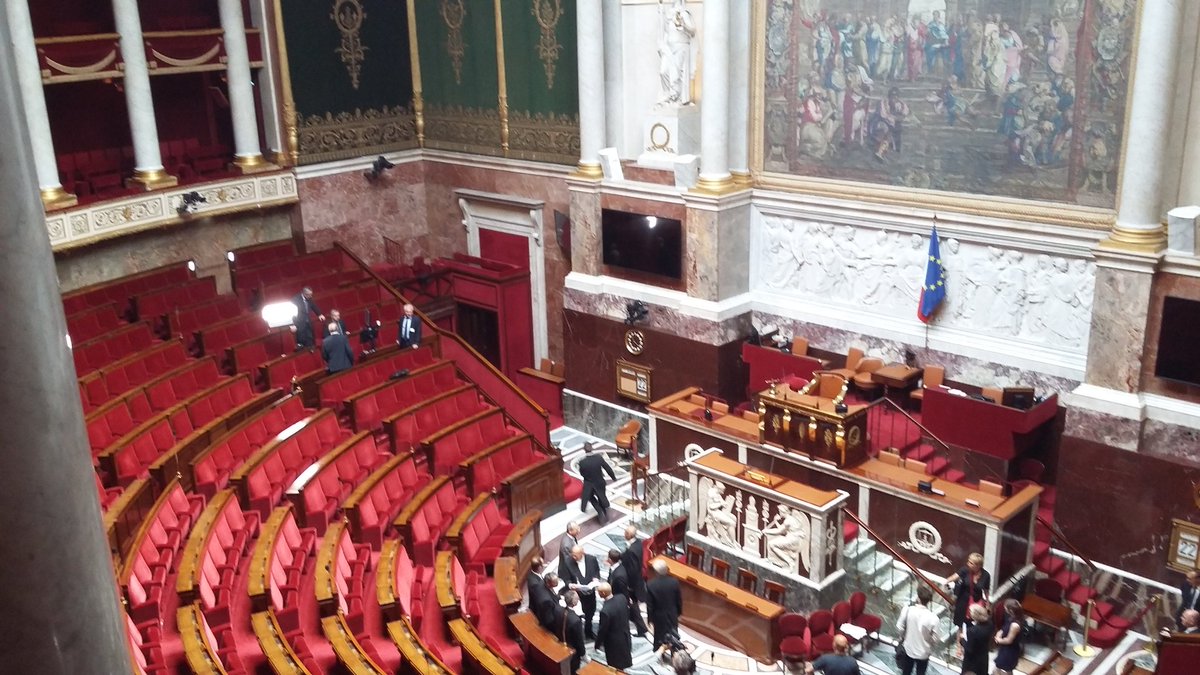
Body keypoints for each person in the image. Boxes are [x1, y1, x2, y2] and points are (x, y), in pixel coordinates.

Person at [656, 0, 696, 106]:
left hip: (680, 47)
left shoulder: (684, 13)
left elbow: (692, 31)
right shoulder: (669, 13)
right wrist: (661, 9)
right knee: (663, 71)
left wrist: (683, 25)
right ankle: (667, 95)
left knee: (676, 76)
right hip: (669, 48)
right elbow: (664, 30)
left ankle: (676, 97)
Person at [560, 545, 602, 639]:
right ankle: (577, 634)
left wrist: (596, 579)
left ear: (582, 553)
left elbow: (596, 571)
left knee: (590, 613)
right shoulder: (568, 561)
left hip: (590, 594)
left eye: (576, 555)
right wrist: (571, 585)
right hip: (577, 596)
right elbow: (566, 578)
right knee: (576, 616)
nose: (573, 557)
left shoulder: (592, 559)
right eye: (573, 555)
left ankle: (588, 631)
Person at [897, 585, 940, 675]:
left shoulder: (907, 610)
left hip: (909, 648)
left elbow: (900, 627)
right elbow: (935, 639)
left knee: (906, 671)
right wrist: (928, 642)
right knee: (921, 672)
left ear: (918, 598)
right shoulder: (933, 618)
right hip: (924, 652)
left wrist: (902, 637)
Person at [945, 552, 990, 627]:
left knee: (972, 622)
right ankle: (960, 637)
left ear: (978, 565)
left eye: (971, 563)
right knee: (960, 623)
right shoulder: (965, 570)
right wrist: (947, 581)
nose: (968, 564)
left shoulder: (986, 575)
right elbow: (955, 576)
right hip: (963, 600)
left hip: (976, 600)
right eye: (969, 561)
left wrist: (987, 603)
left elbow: (986, 590)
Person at [646, 559, 683, 651]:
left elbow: (650, 605)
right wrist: (678, 612)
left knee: (658, 637)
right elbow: (679, 600)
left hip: (658, 616)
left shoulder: (651, 585)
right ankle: (675, 654)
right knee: (674, 636)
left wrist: (650, 619)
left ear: (656, 571)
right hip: (672, 614)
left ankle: (658, 655)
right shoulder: (674, 582)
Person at [620, 525, 649, 636]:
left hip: (633, 583)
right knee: (632, 605)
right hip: (637, 580)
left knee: (633, 605)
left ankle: (641, 628)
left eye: (625, 532)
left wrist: (629, 585)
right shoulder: (637, 543)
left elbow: (631, 569)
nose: (624, 534)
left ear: (628, 535)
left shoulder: (632, 550)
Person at [596, 583, 633, 669]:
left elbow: (602, 630)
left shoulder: (605, 611)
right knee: (625, 659)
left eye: (599, 592)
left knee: (615, 664)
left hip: (613, 642)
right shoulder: (622, 598)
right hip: (625, 634)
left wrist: (597, 644)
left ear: (603, 594)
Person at [578, 443, 616, 523]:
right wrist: (613, 477)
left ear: (584, 450)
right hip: (599, 482)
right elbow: (607, 468)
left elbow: (582, 473)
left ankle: (599, 511)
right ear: (592, 448)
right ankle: (606, 511)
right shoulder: (598, 458)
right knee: (601, 496)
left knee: (590, 497)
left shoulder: (582, 462)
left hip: (589, 484)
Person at [993, 598, 1025, 675]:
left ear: (1010, 610)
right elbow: (1003, 629)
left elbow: (1009, 640)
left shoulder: (1015, 625)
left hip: (1010, 650)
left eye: (1005, 608)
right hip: (1004, 648)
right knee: (998, 666)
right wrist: (999, 634)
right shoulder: (1010, 617)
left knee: (1007, 669)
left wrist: (998, 640)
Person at [959, 603, 992, 675]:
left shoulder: (972, 631)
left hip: (972, 661)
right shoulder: (990, 625)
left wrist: (962, 640)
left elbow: (969, 648)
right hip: (983, 657)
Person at [560, 590, 587, 674]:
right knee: (574, 669)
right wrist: (583, 653)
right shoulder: (576, 620)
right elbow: (579, 640)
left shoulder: (560, 611)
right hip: (573, 650)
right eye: (577, 599)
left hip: (562, 644)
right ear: (574, 602)